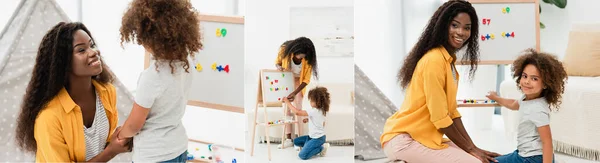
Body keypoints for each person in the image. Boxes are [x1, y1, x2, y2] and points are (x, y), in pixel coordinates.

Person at [380, 0, 500, 162]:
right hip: (404, 140)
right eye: (455, 25)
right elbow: (440, 118)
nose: (461, 32)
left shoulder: (448, 61)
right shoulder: (434, 60)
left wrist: (473, 147)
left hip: (421, 137)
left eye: (467, 28)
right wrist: (471, 149)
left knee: (478, 156)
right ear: (443, 25)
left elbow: (452, 114)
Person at [15, 22, 131, 162]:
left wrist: (120, 139)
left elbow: (103, 144)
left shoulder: (107, 93)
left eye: (92, 45)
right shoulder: (49, 117)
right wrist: (111, 151)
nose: (94, 52)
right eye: (81, 50)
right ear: (63, 63)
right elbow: (107, 151)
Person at [116, 0, 203, 162]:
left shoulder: (152, 77)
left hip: (153, 154)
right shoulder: (187, 64)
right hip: (178, 147)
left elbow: (134, 125)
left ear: (150, 39)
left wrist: (120, 134)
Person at [486, 49, 566, 163]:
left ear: (545, 84)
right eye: (525, 76)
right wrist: (496, 98)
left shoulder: (538, 109)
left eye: (534, 78)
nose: (527, 81)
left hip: (533, 158)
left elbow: (547, 142)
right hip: (524, 153)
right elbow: (514, 104)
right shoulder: (527, 98)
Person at [274, 37, 319, 148]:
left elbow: (306, 80)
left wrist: (294, 92)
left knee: (298, 109)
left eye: (302, 56)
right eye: (299, 55)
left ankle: (299, 139)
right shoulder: (284, 50)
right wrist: (279, 67)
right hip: (287, 80)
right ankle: (289, 138)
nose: (300, 58)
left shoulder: (308, 59)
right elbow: (277, 62)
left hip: (299, 83)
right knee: (286, 109)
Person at [283, 87, 331, 160]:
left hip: (317, 139)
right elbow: (320, 122)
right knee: (296, 141)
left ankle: (321, 148)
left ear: (317, 101)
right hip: (312, 137)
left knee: (302, 155)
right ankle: (309, 146)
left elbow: (297, 112)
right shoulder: (322, 110)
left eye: (311, 100)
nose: (310, 102)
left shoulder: (314, 111)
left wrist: (287, 102)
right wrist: (308, 119)